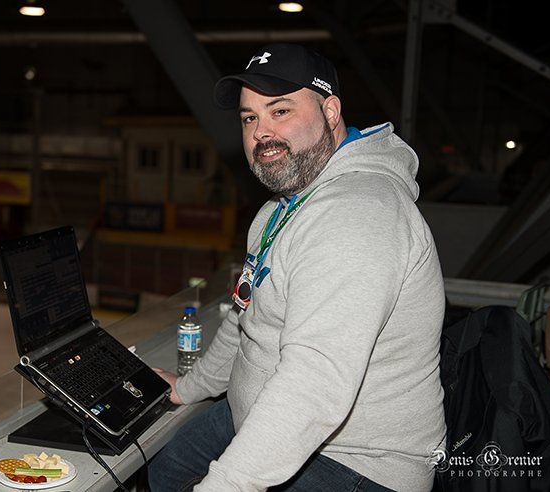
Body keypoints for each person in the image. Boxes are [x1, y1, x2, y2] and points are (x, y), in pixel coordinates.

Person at [148, 43, 446, 492]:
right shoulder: (280, 210)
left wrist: (226, 484)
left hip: (354, 459)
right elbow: (245, 318)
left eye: (280, 111)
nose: (261, 133)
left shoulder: (360, 214)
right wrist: (186, 389)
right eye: (249, 118)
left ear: (330, 111)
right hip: (266, 414)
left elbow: (315, 382)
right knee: (167, 470)